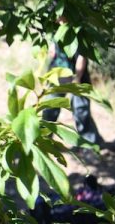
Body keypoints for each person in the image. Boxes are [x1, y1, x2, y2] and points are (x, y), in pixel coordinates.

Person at [41, 18, 104, 146]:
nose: (58, 17)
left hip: (77, 77)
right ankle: (43, 141)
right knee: (49, 109)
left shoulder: (79, 31)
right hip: (57, 76)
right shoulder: (55, 29)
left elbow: (82, 57)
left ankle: (90, 143)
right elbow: (53, 50)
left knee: (81, 110)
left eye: (61, 14)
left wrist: (77, 78)